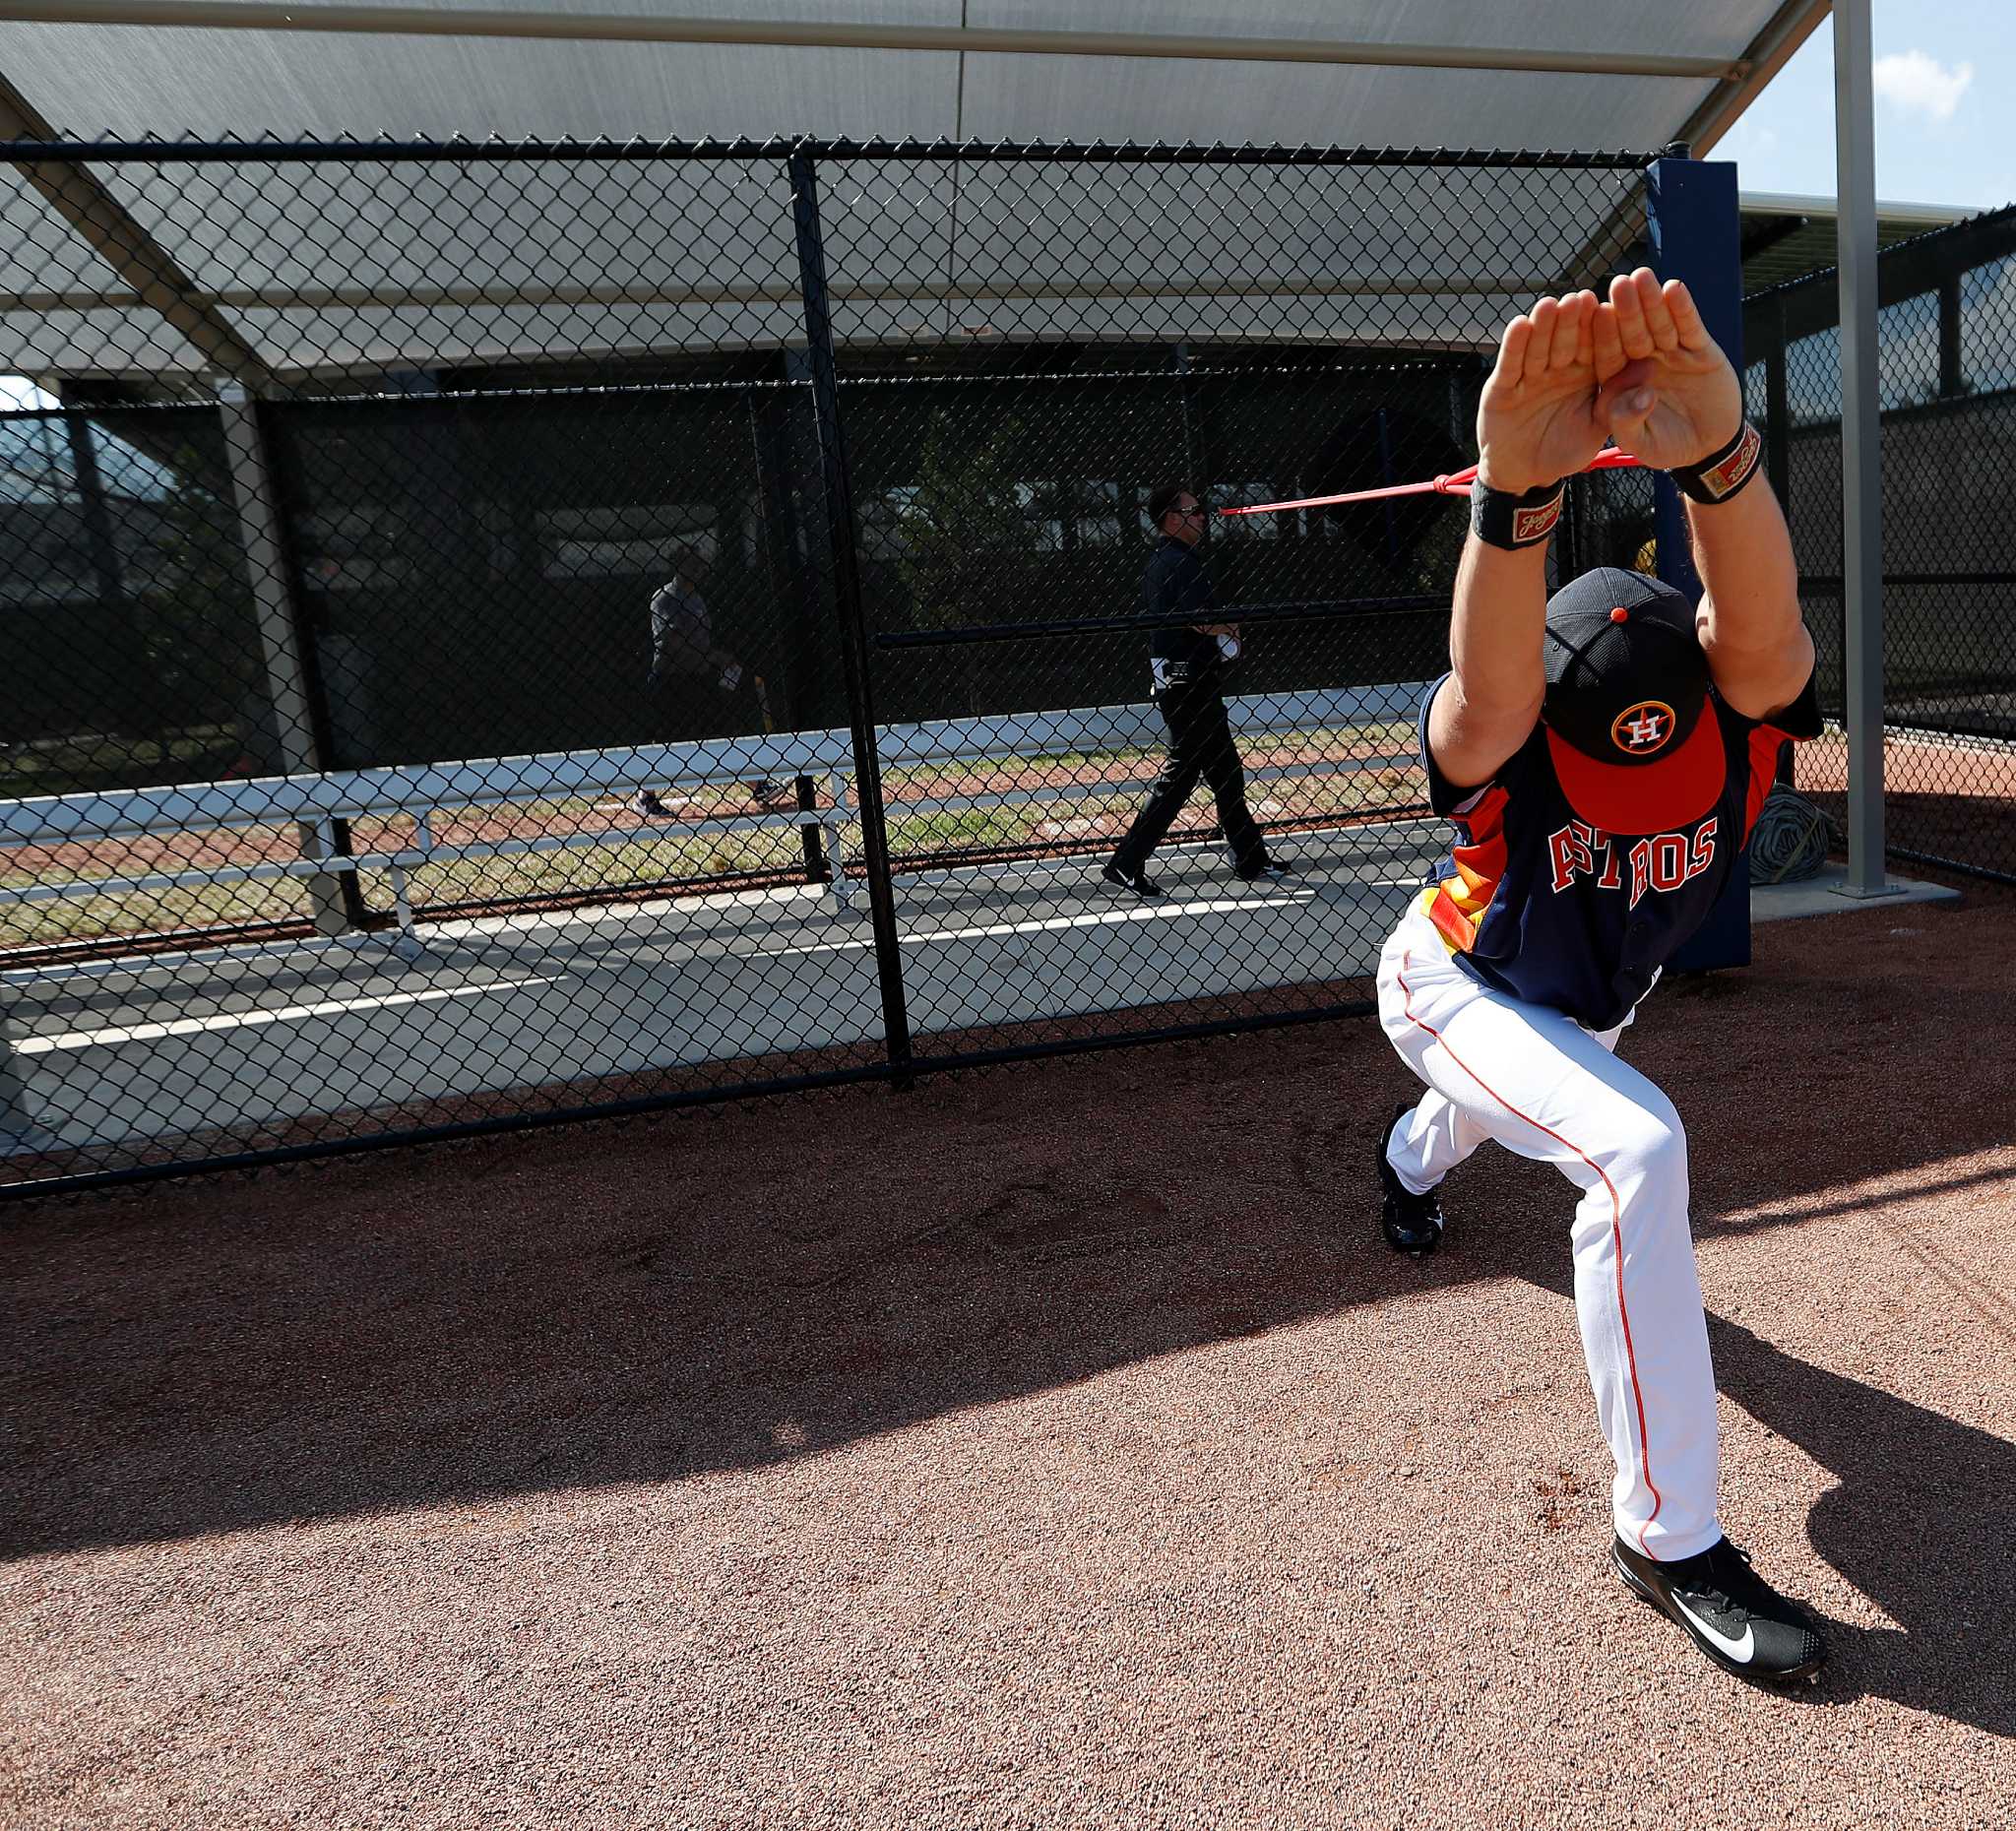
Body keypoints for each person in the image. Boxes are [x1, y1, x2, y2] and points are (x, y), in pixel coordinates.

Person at [1372, 270, 1828, 1684]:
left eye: (1664, 732)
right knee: (1632, 1145)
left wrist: (1720, 458)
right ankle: (1665, 1534)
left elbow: (1761, 628)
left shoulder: (1742, 722)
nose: (1641, 758)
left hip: (1576, 1004)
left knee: (1488, 1122)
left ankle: (1402, 1165)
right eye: (1605, 736)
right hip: (1450, 984)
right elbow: (1490, 684)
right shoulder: (1513, 745)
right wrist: (1513, 503)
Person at [1102, 479, 1291, 896]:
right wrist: (1232, 627)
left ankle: (1250, 856)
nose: (1202, 516)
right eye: (1193, 511)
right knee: (1183, 774)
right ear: (1172, 518)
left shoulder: (1169, 560)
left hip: (1186, 679)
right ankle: (1126, 863)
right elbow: (1199, 619)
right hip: (1187, 683)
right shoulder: (1177, 563)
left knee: (1225, 770)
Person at [634, 557, 784, 819]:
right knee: (669, 741)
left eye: (700, 564)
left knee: (722, 731)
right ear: (677, 566)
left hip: (697, 677)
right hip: (671, 679)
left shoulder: (696, 598)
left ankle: (758, 786)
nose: (698, 569)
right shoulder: (665, 598)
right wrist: (713, 657)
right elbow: (673, 642)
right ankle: (646, 797)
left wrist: (716, 661)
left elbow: (700, 640)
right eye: (691, 563)